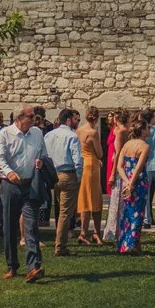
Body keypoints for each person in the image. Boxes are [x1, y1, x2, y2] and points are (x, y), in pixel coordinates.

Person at [0, 105, 47, 282]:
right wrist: (9, 172)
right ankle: (12, 266)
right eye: (30, 116)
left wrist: (41, 162)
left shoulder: (37, 134)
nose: (34, 119)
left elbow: (43, 154)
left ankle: (34, 267)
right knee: (9, 226)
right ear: (19, 118)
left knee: (31, 226)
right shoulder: (5, 134)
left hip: (30, 184)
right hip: (10, 185)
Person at [44, 108, 83, 256]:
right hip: (67, 174)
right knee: (65, 213)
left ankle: (60, 242)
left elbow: (45, 155)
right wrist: (78, 177)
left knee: (59, 209)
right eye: (74, 119)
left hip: (53, 174)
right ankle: (60, 246)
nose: (76, 122)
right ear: (68, 120)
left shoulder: (49, 135)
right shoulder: (72, 136)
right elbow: (77, 160)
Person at [115, 112, 153, 254]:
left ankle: (126, 244)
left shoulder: (126, 145)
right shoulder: (144, 146)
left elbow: (120, 166)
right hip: (139, 181)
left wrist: (126, 181)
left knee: (127, 213)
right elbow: (139, 167)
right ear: (142, 130)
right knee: (138, 213)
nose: (149, 130)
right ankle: (132, 244)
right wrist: (132, 183)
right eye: (147, 128)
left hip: (126, 181)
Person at [76, 107, 104, 245]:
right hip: (92, 164)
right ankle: (96, 232)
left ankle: (83, 231)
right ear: (97, 118)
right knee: (96, 199)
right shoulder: (93, 133)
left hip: (82, 164)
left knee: (85, 199)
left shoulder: (79, 130)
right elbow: (99, 153)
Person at [102, 109, 132, 243]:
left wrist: (113, 173)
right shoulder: (126, 130)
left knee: (117, 199)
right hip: (125, 166)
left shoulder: (121, 131)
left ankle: (115, 230)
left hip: (120, 168)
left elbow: (119, 152)